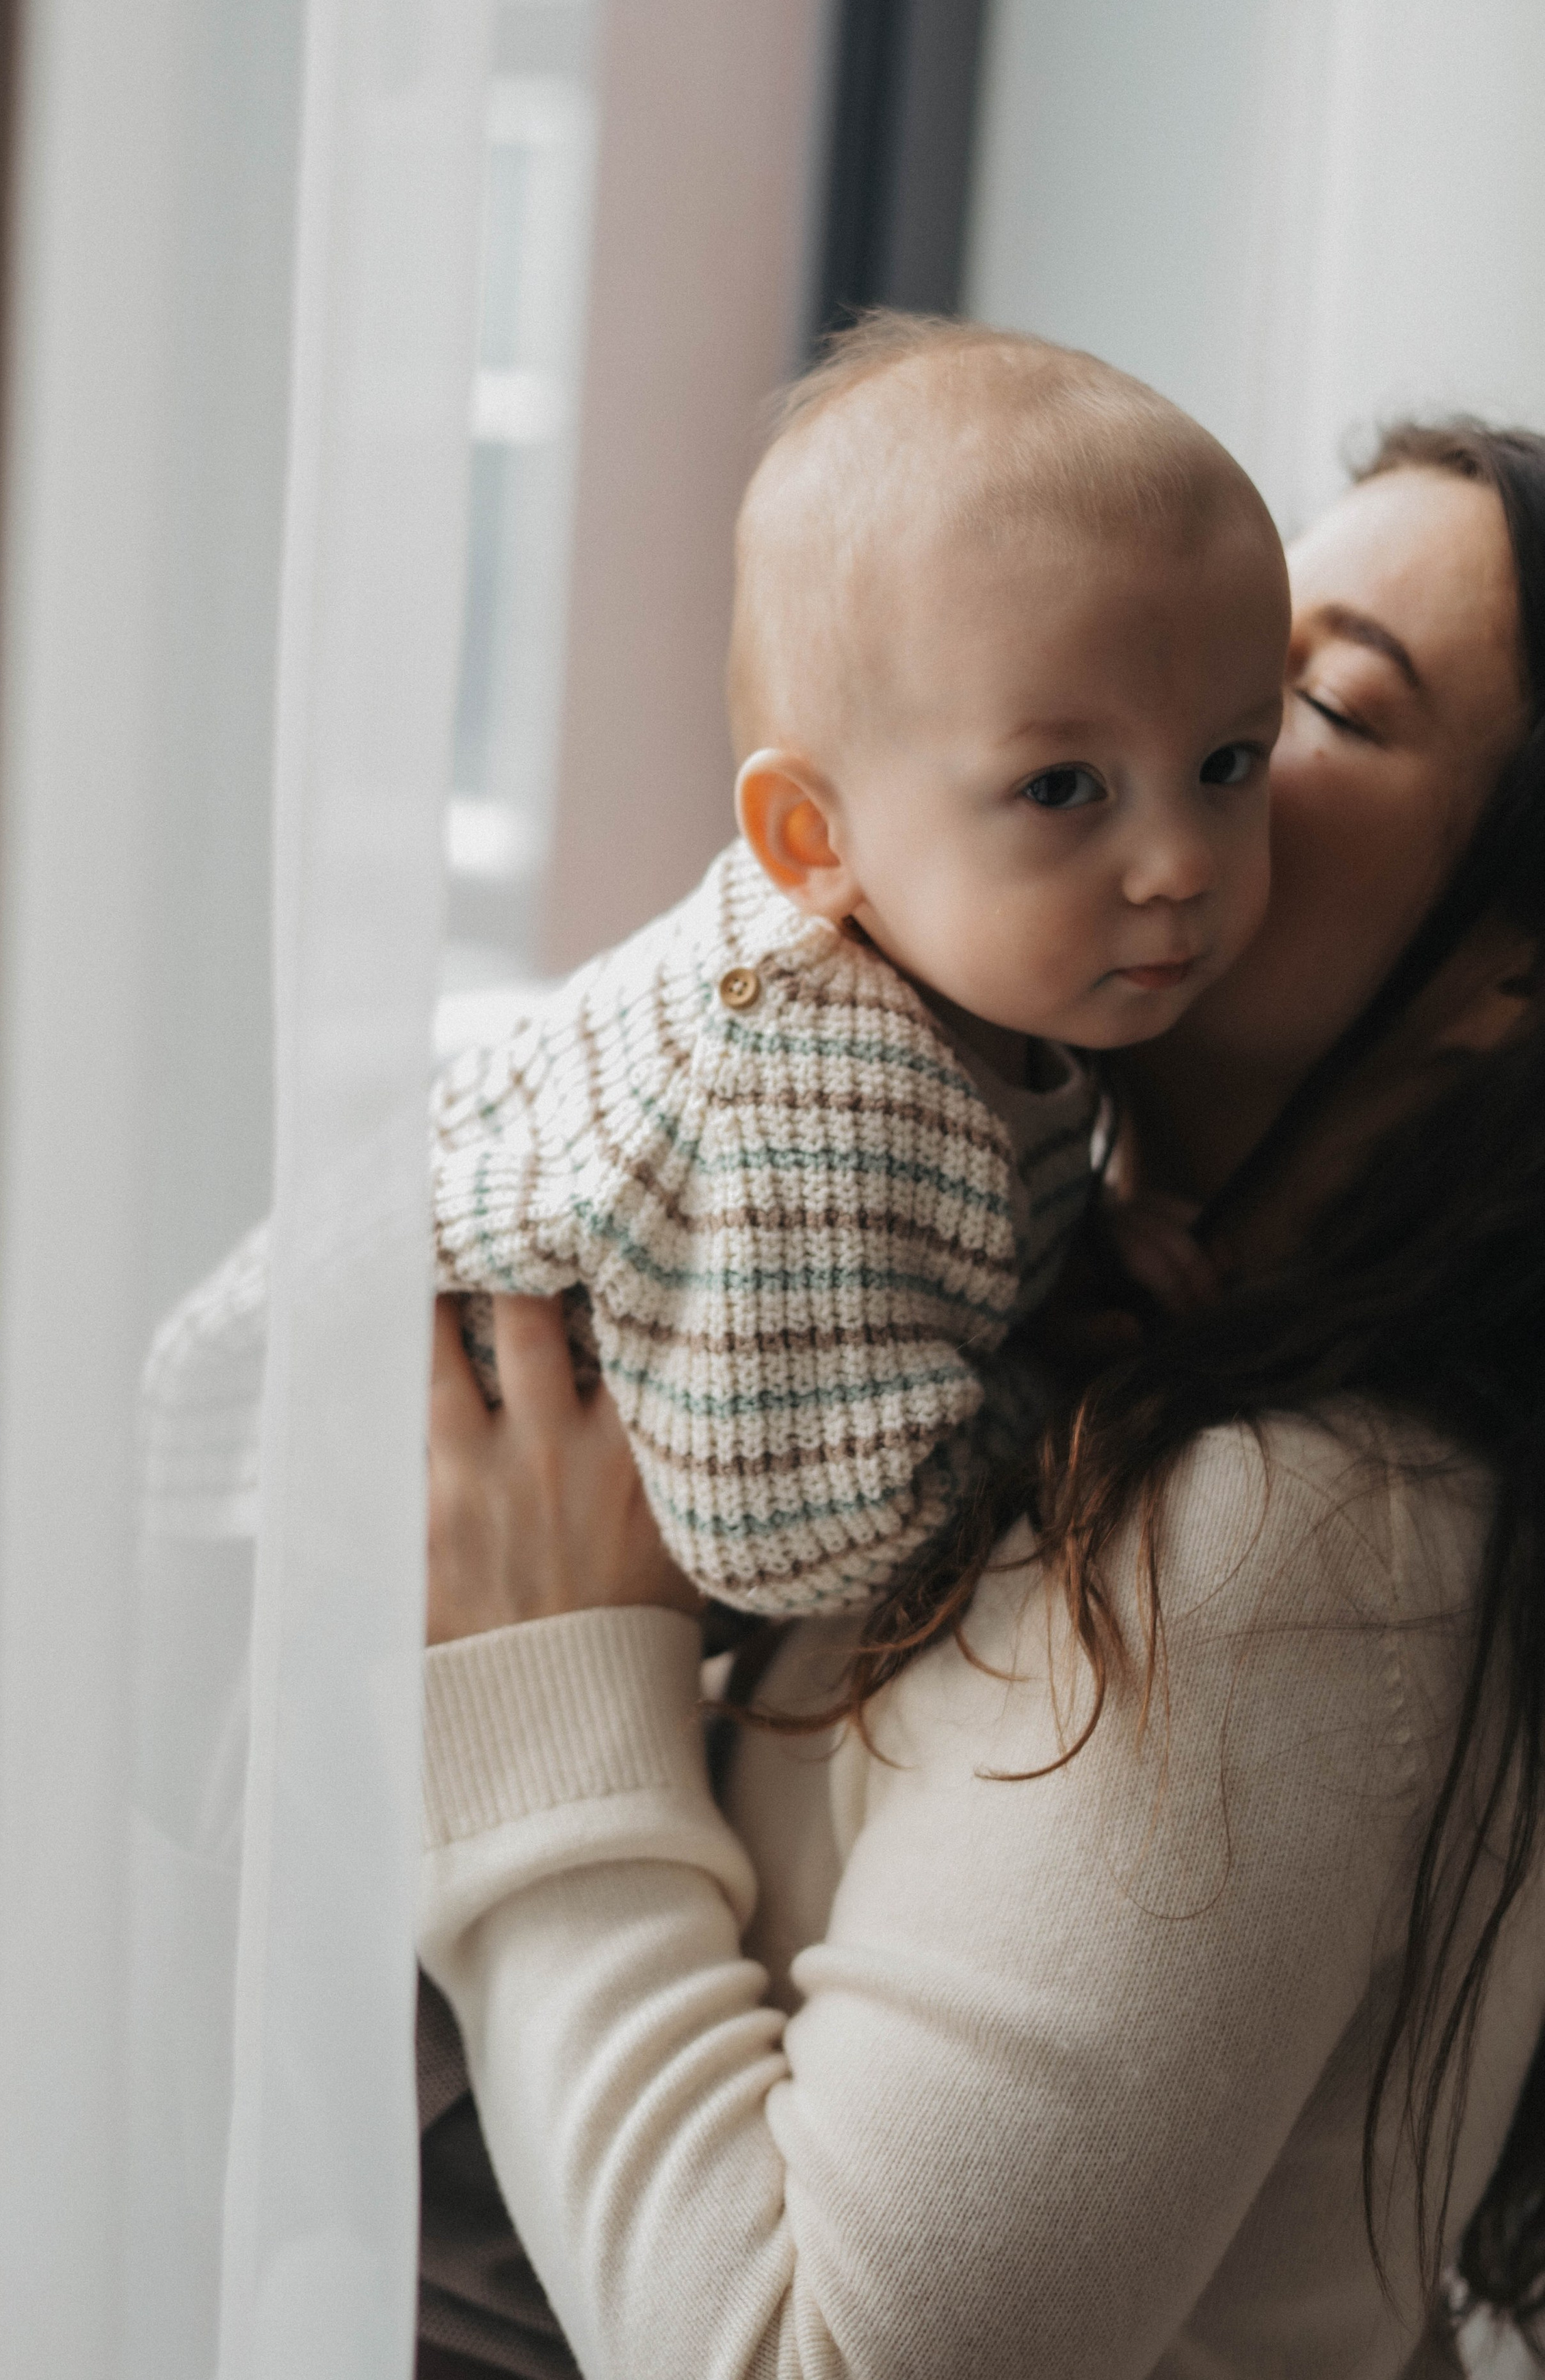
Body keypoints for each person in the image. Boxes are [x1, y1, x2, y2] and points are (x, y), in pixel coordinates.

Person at [414, 419, 1545, 2380]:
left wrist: (547, 1677)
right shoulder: (1063, 1333)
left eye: (1306, 706)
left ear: (1513, 974)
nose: (1188, 718)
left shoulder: (1295, 1532)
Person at [434, 317, 1289, 1616]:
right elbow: (801, 1539)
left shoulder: (985, 969)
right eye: (1064, 785)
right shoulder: (837, 1093)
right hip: (349, 1496)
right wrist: (1067, 1373)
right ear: (813, 841)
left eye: (1231, 762)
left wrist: (1080, 1254)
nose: (1180, 860)